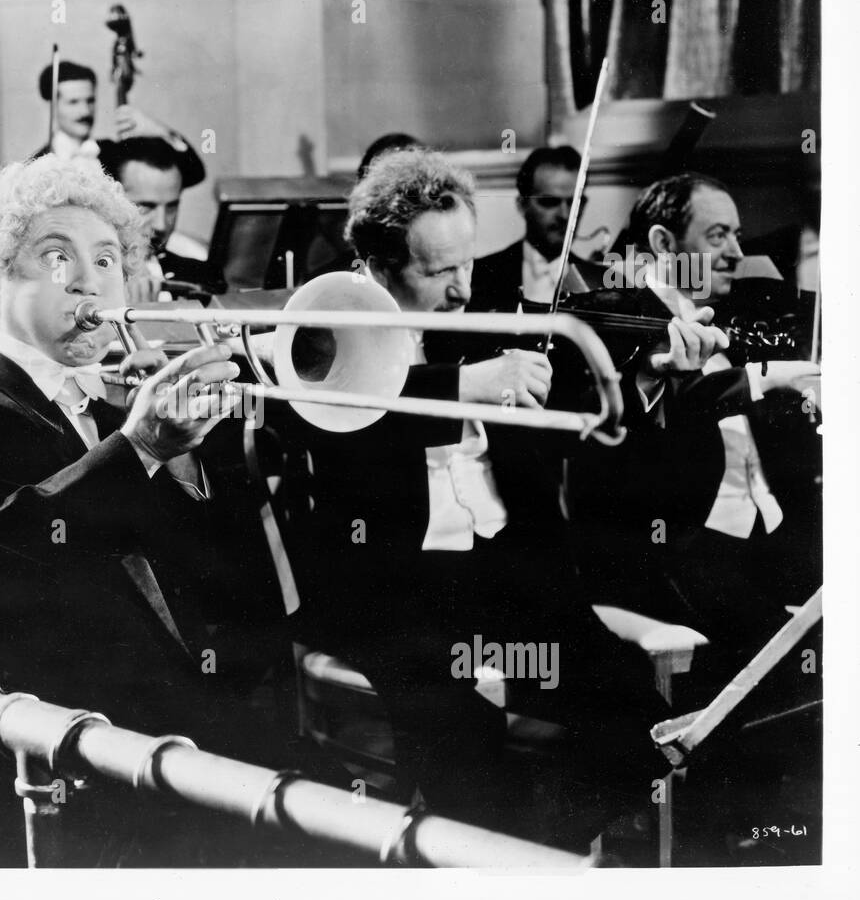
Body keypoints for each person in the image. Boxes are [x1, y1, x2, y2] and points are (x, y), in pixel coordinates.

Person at [287, 150, 723, 839]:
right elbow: (336, 411)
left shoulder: (488, 329)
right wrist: (466, 386)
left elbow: (580, 425)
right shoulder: (326, 332)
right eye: (437, 272)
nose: (464, 289)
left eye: (467, 262)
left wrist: (649, 375)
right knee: (461, 740)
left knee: (640, 723)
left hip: (504, 580)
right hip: (393, 594)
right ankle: (492, 856)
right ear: (376, 266)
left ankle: (541, 848)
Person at [0, 156, 306, 771]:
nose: (89, 282)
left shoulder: (116, 416)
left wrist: (185, 455)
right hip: (41, 762)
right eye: (56, 258)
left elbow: (235, 602)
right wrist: (139, 449)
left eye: (107, 261)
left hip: (179, 739)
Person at [566, 173, 822, 694]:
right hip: (676, 552)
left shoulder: (733, 320)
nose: (735, 252)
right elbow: (616, 437)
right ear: (663, 243)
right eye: (717, 235)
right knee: (785, 667)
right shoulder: (614, 322)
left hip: (766, 538)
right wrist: (768, 376)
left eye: (737, 234)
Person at [30, 59, 207, 190]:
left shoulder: (113, 153)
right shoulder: (34, 168)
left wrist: (160, 131)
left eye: (90, 101)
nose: (85, 111)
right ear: (52, 106)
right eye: (73, 102)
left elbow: (193, 173)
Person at [471, 146, 609, 312]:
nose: (565, 215)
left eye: (573, 204)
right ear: (522, 205)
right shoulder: (479, 274)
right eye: (549, 202)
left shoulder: (604, 282)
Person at [100, 136, 223, 301]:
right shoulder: (89, 280)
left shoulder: (202, 276)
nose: (161, 225)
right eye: (147, 206)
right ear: (111, 202)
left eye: (172, 207)